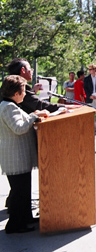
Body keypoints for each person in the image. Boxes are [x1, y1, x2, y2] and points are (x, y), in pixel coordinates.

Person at [0, 75, 49, 234]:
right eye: (23, 91)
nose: (25, 95)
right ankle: (15, 225)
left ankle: (25, 218)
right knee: (19, 192)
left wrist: (32, 115)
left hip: (18, 156)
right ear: (15, 93)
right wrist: (35, 116)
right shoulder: (8, 107)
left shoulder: (10, 105)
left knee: (23, 189)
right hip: (15, 157)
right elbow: (19, 128)